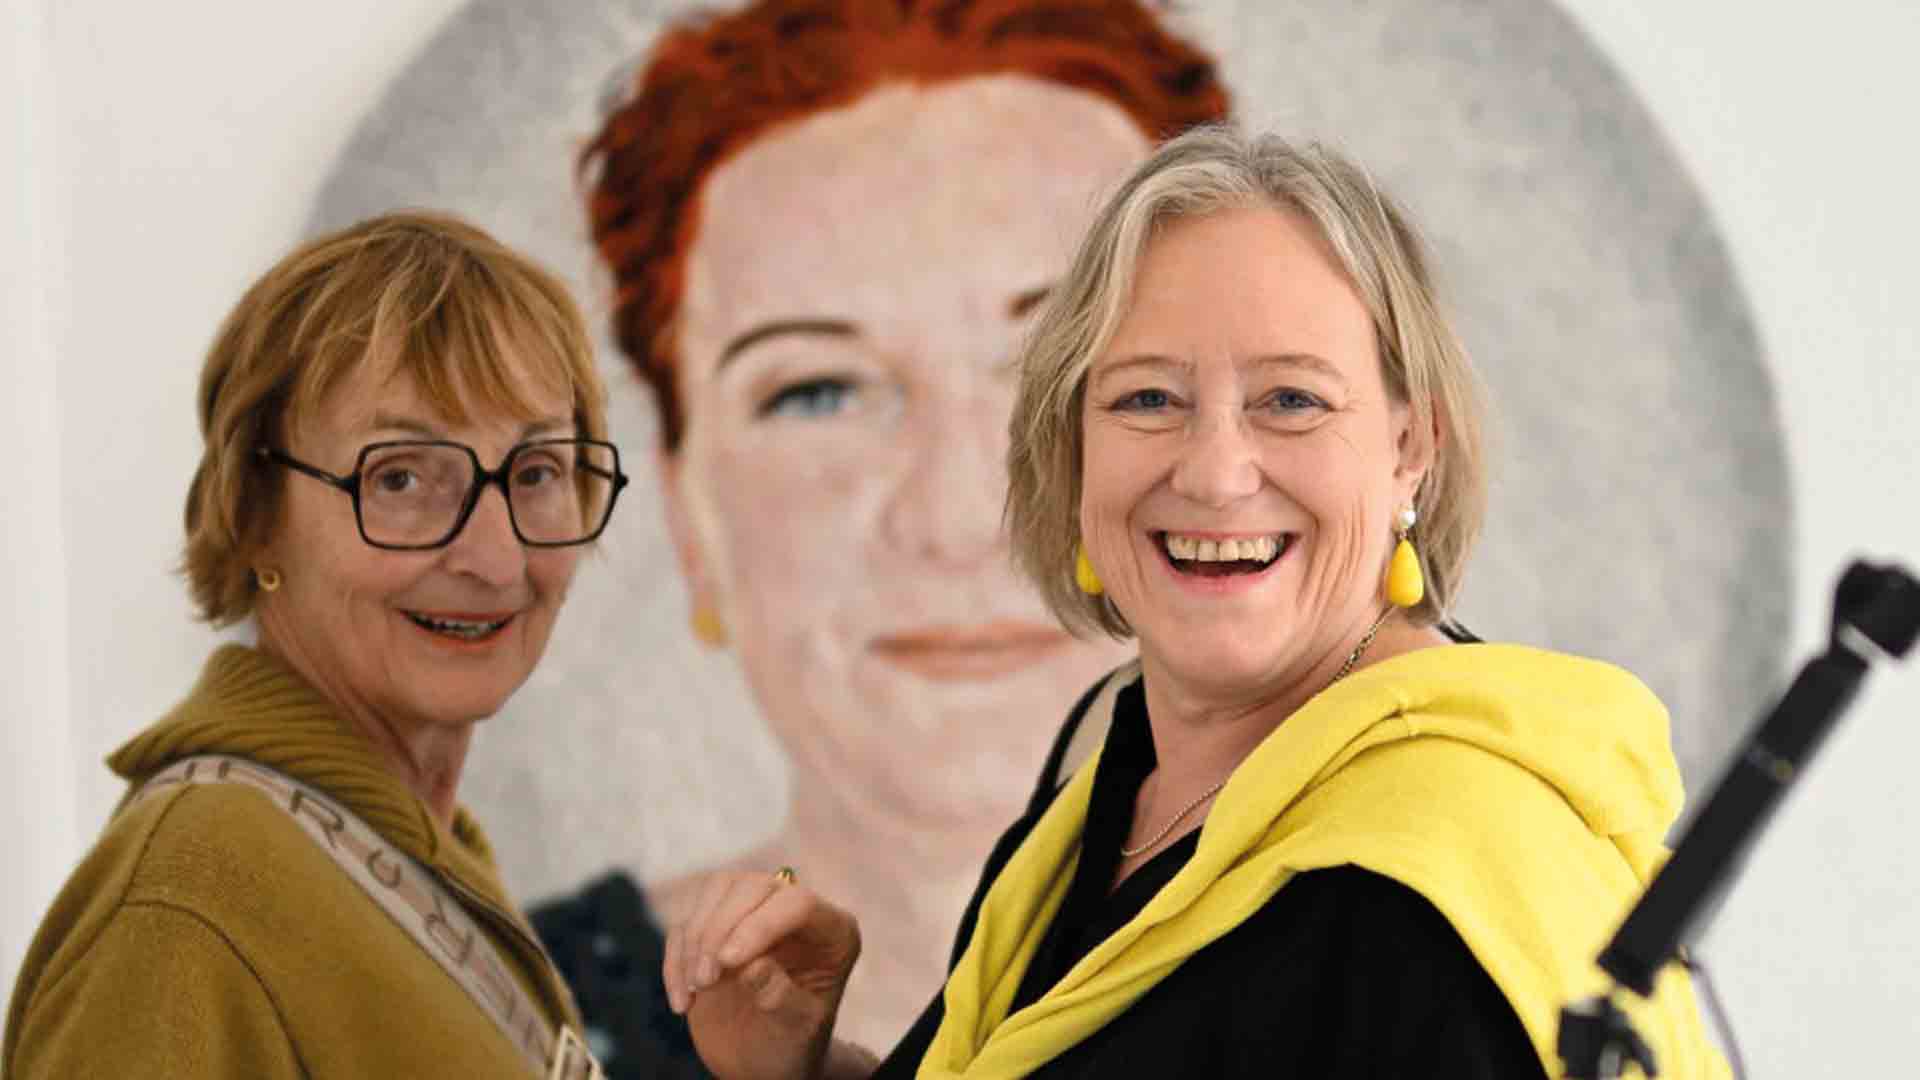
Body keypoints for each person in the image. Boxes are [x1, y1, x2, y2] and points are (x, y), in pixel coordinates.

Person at [657, 127, 1734, 1078]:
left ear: (1411, 448)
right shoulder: (1105, 775)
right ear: (1073, 447)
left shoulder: (1427, 897)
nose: (1215, 473)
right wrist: (801, 1069)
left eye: (1292, 399)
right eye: (1148, 398)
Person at [537, 0, 1231, 1060]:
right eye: (819, 392)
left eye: (1065, 364)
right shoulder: (489, 1021)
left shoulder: (1418, 969)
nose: (958, 517)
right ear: (688, 516)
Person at [3, 212, 629, 1078]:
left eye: (535, 473)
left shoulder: (409, 851)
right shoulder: (189, 906)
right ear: (254, 513)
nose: (497, 559)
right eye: (400, 477)